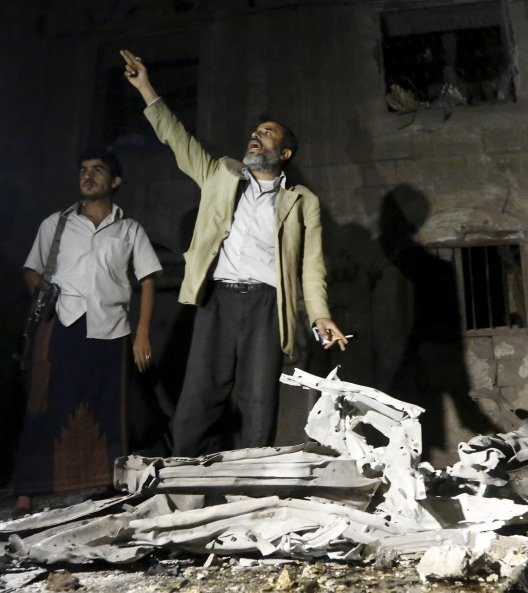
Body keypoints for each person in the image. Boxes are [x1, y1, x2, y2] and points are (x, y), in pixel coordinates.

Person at [120, 49, 348, 457]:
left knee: (257, 398)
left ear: (284, 154)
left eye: (267, 133)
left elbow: (311, 266)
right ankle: (186, 474)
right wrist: (145, 88)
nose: (256, 135)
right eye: (255, 130)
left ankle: (252, 478)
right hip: (217, 300)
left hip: (267, 305)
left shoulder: (301, 202)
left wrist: (320, 315)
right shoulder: (220, 175)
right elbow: (177, 138)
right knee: (200, 393)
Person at [11, 149, 162, 517]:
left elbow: (148, 279)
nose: (88, 176)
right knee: (45, 407)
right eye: (83, 170)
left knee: (107, 410)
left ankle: (106, 483)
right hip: (62, 323)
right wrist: (44, 292)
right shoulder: (56, 224)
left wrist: (142, 333)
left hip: (111, 329)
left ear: (115, 182)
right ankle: (27, 491)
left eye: (97, 170)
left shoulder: (129, 229)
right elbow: (31, 269)